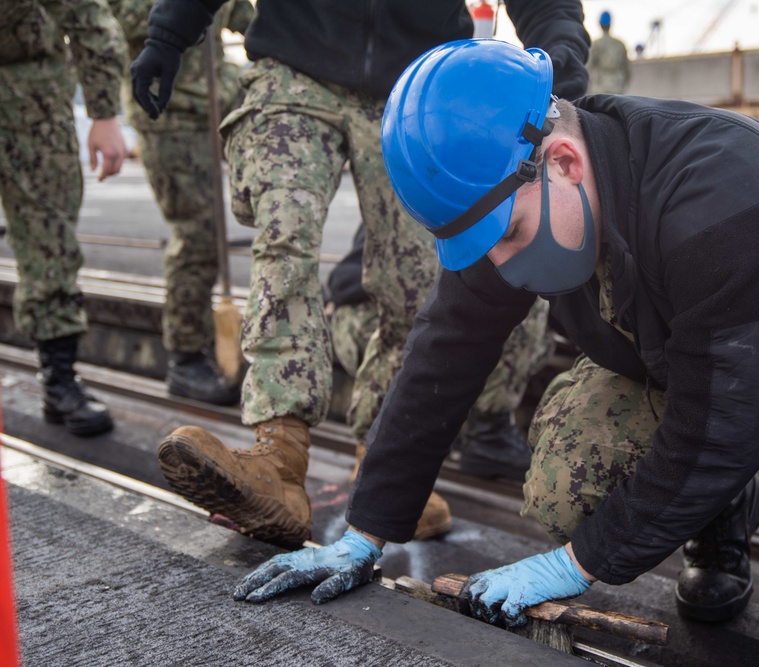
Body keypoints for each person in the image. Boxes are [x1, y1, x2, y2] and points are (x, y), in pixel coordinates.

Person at [233, 40, 759, 667]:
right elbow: (444, 353)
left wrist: (572, 566)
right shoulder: (513, 193)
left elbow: (723, 423)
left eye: (509, 236)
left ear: (560, 159)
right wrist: (363, 532)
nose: (499, 263)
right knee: (567, 467)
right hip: (697, 367)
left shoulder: (722, 181)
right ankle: (718, 520)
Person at [129, 0, 590, 548]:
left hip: (421, 86)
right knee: (285, 237)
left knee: (418, 283)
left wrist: (563, 51)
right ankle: (279, 455)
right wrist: (169, 32)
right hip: (295, 61)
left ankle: (381, 465)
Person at [326, 226, 552, 482]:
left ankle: (487, 432)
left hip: (418, 316)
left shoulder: (483, 213)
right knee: (426, 330)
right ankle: (389, 444)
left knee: (523, 310)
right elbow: (346, 281)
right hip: (368, 319)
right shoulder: (413, 208)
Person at [111, 0, 253, 406]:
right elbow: (119, 19)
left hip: (215, 108)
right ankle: (185, 357)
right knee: (198, 236)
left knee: (220, 231)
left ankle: (205, 348)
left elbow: (247, 18)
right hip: (167, 112)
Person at [0, 0, 128, 436]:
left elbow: (88, 16)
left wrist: (104, 113)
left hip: (32, 100)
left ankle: (59, 381)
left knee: (51, 243)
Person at [586, 10, 630, 94]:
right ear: (610, 24)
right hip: (616, 86)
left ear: (600, 24)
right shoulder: (620, 44)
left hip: (599, 87)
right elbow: (627, 70)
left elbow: (589, 67)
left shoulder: (596, 44)